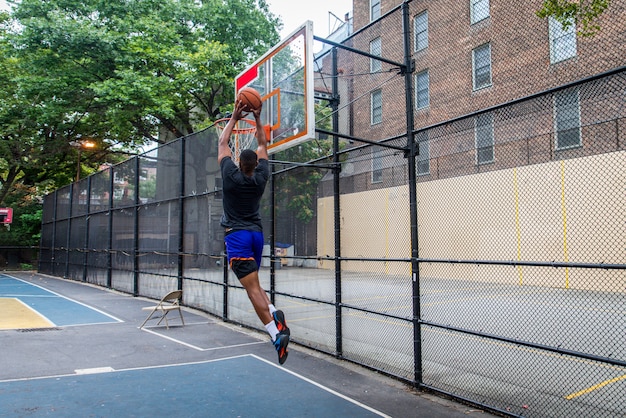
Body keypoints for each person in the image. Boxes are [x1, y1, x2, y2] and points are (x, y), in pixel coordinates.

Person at [217, 99, 290, 364]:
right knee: (256, 285)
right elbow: (262, 144)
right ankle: (273, 312)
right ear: (255, 165)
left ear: (238, 162)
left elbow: (222, 143)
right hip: (256, 236)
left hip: (237, 236)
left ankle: (275, 332)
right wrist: (258, 118)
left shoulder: (229, 175)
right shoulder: (261, 178)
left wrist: (234, 117)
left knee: (251, 291)